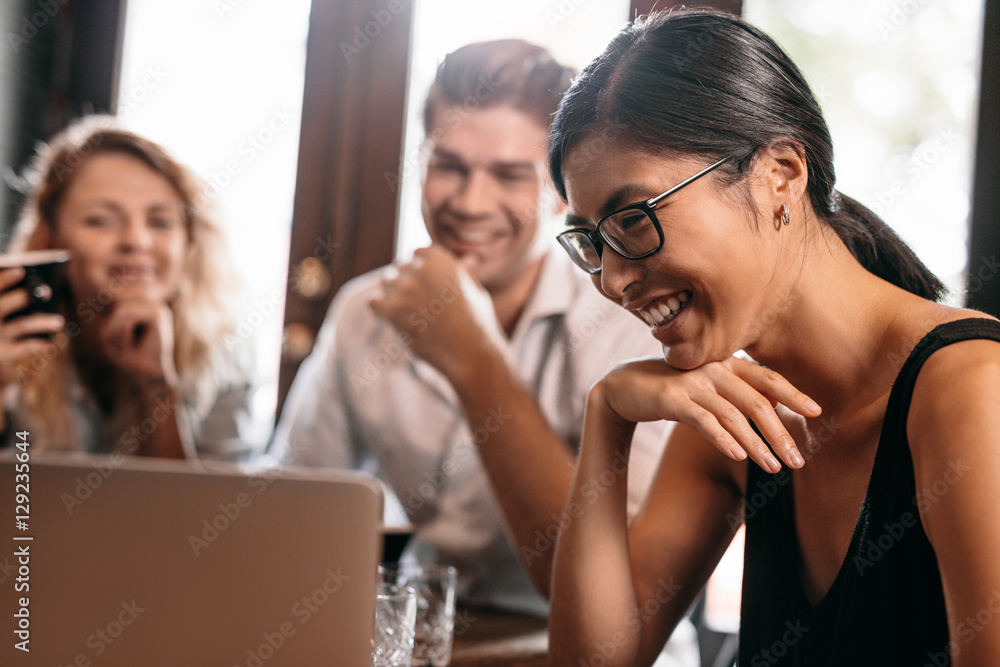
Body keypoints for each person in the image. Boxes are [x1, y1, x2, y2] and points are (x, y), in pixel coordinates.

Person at [546, 7, 1000, 666]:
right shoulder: (734, 421)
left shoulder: (971, 391)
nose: (613, 280)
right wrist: (607, 416)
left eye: (634, 218)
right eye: (591, 241)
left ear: (780, 174)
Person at [271, 39, 699, 663]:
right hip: (441, 640)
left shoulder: (632, 313)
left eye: (507, 175)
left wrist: (472, 359)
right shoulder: (367, 311)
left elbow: (612, 600)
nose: (470, 204)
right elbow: (292, 519)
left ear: (562, 192)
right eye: (449, 166)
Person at [0, 116, 270, 460]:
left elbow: (205, 512)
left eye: (160, 222)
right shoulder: (11, 333)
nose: (136, 241)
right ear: (50, 234)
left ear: (190, 240)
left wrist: (156, 387)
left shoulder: (223, 350)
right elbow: (19, 507)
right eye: (101, 220)